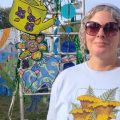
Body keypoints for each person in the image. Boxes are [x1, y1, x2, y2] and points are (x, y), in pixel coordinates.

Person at [47, 3, 120, 120]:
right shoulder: (65, 79)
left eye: (111, 28)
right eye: (93, 27)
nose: (100, 34)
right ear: (84, 34)